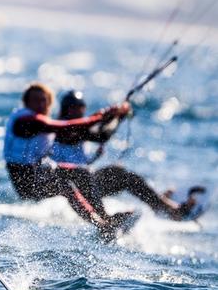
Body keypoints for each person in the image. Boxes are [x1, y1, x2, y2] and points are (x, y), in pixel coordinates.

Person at [3, 82, 135, 238]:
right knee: (67, 183)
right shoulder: (25, 120)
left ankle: (104, 221)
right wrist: (100, 115)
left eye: (43, 100)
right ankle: (102, 224)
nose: (40, 104)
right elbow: (64, 127)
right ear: (26, 103)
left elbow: (93, 133)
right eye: (35, 100)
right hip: (26, 182)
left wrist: (113, 116)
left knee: (78, 174)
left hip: (38, 174)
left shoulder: (43, 121)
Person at [50, 89, 204, 221]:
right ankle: (105, 221)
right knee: (99, 174)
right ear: (65, 109)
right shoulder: (61, 128)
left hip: (87, 181)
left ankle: (163, 207)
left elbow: (99, 131)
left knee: (121, 173)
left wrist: (117, 115)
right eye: (73, 108)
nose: (78, 111)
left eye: (80, 107)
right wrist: (119, 118)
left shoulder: (82, 126)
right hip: (67, 184)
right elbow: (100, 136)